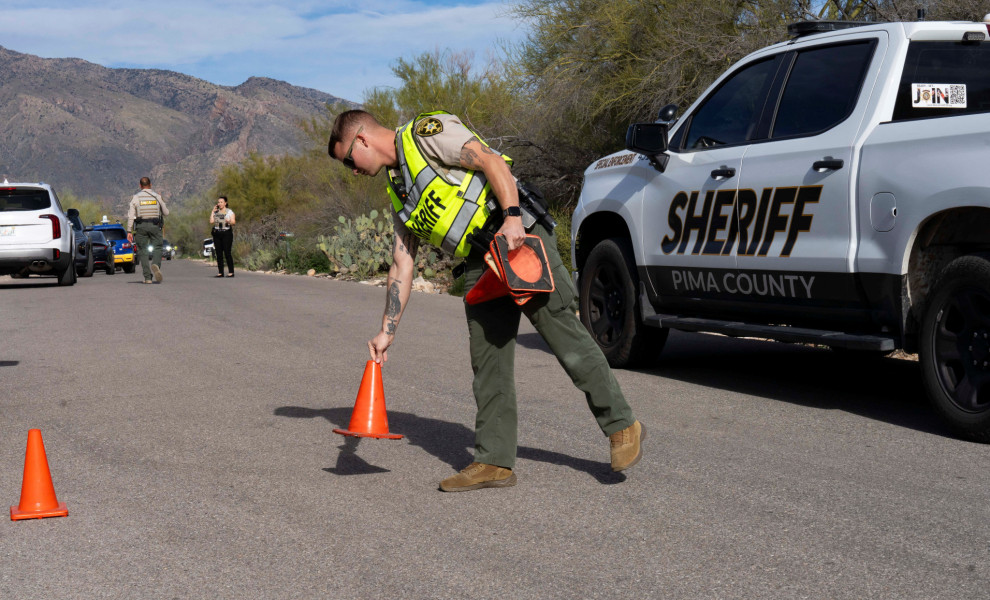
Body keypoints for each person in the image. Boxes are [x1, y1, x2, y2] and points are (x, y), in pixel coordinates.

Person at [327, 109, 645, 492]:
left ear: (361, 139)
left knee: (562, 334)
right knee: (488, 359)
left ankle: (622, 426)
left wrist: (512, 217)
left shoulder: (425, 133)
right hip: (480, 261)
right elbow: (401, 264)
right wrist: (386, 331)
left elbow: (491, 161)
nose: (354, 171)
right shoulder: (399, 190)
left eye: (349, 161)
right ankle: (494, 461)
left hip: (516, 235)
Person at [126, 176, 169, 284]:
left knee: (143, 251)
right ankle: (156, 264)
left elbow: (131, 216)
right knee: (158, 247)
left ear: (140, 186)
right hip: (155, 226)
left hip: (141, 226)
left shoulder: (135, 198)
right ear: (150, 185)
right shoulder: (157, 197)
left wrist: (129, 231)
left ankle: (147, 278)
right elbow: (166, 213)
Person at [210, 196, 236, 277]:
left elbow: (233, 222)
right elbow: (211, 221)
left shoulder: (229, 212)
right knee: (219, 253)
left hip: (226, 233)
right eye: (218, 202)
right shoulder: (216, 212)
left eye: (221, 202)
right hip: (217, 233)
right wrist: (212, 212)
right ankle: (220, 272)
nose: (220, 204)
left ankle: (231, 271)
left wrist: (229, 221)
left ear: (225, 203)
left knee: (227, 252)